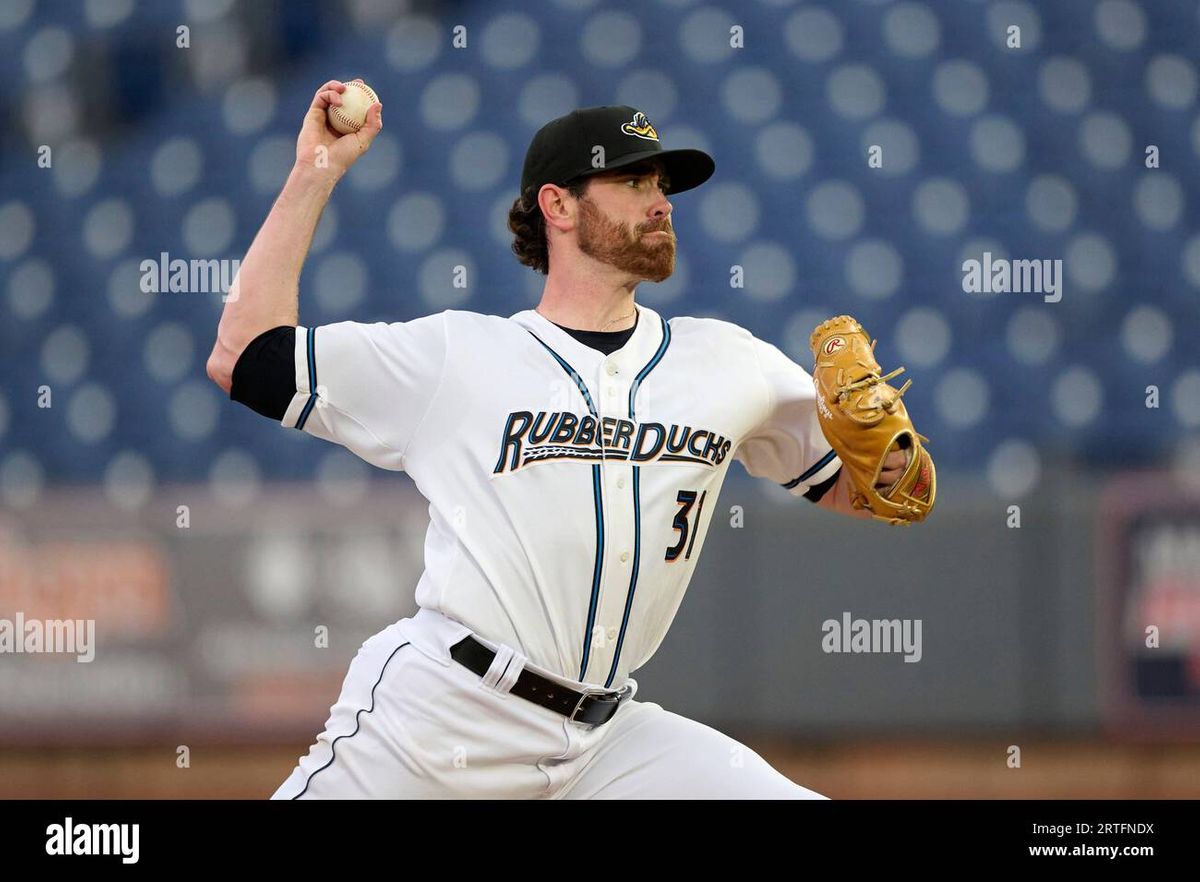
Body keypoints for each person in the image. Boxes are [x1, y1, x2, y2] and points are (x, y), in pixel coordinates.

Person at [206, 82, 908, 798]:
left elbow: (871, 490)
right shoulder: (458, 356)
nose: (660, 201)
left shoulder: (730, 362)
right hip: (442, 718)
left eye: (663, 185)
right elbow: (243, 356)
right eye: (633, 181)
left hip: (606, 740)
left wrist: (894, 466)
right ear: (558, 205)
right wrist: (314, 170)